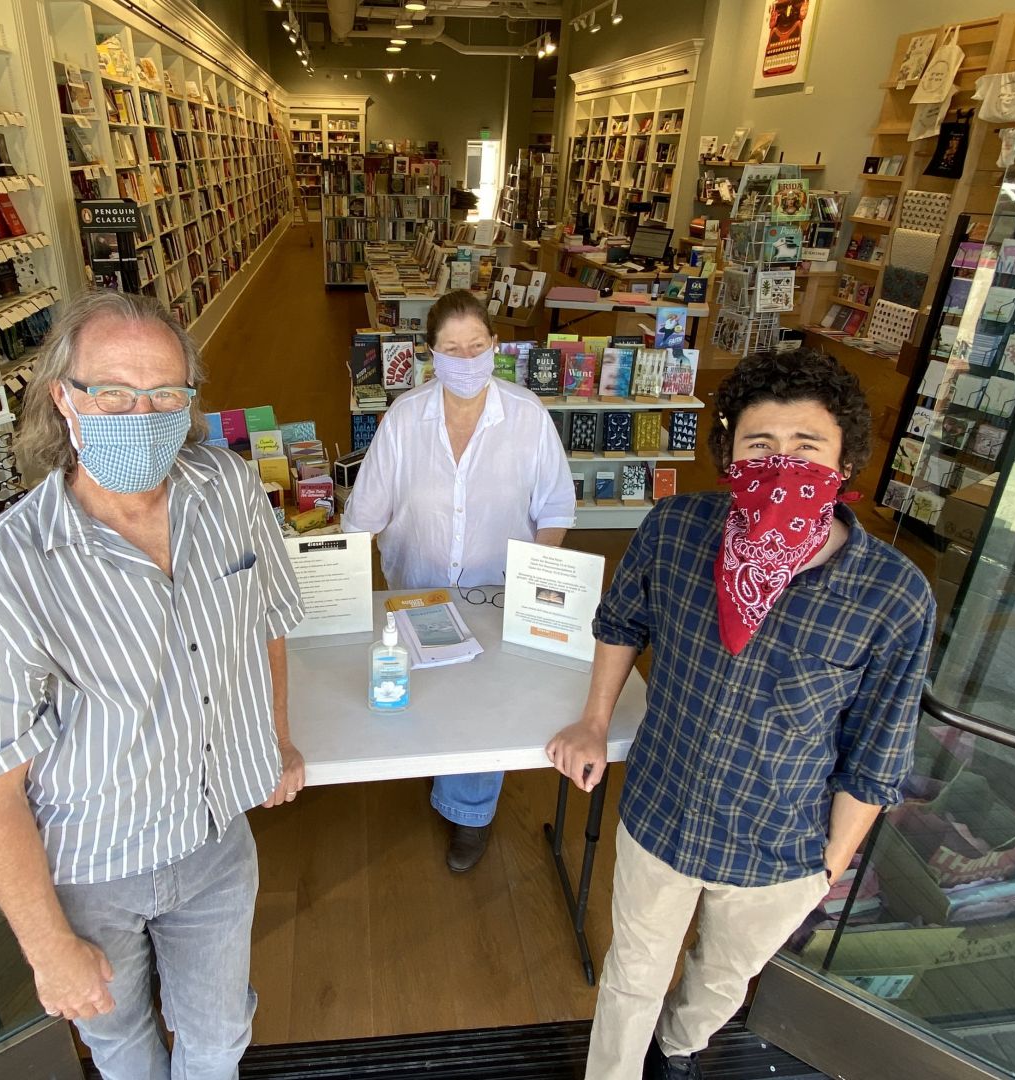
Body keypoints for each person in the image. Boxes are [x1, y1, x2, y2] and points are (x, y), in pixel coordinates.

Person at [0, 291, 305, 1080]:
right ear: (63, 399)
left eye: (166, 394)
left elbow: (267, 619)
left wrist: (275, 738)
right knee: (121, 1044)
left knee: (218, 1035)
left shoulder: (229, 488)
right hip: (92, 867)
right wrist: (48, 948)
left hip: (215, 837)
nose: (144, 414)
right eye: (113, 394)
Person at [546, 348, 934, 1080]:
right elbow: (622, 621)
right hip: (663, 811)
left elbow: (879, 751)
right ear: (729, 455)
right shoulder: (675, 528)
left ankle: (679, 1049)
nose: (782, 464)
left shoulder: (893, 594)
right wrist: (594, 721)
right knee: (632, 974)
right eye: (760, 445)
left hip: (781, 847)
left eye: (806, 446)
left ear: (845, 461)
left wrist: (828, 866)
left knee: (722, 980)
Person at [344, 289, 576, 872]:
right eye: (452, 348)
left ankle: (470, 812)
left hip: (497, 588)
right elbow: (363, 516)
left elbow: (555, 507)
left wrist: (536, 575)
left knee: (483, 703)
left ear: (495, 345)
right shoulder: (404, 419)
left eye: (477, 346)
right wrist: (334, 585)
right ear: (431, 354)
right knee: (429, 693)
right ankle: (435, 763)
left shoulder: (527, 415)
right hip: (416, 585)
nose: (467, 359)